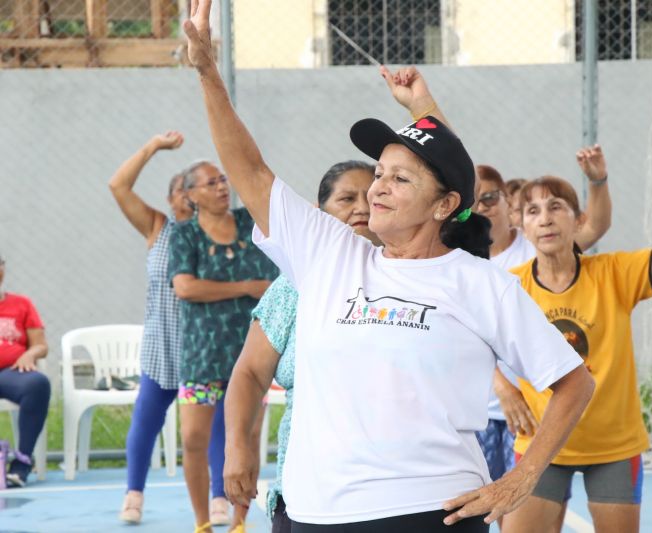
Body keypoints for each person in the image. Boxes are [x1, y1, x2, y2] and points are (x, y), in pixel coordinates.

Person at [184, 5, 594, 531]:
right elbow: (252, 172)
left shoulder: (478, 282)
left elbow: (574, 382)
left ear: (444, 205)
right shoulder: (329, 255)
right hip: (313, 514)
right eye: (380, 173)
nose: (378, 187)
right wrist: (207, 72)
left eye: (400, 180)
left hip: (430, 512)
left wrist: (522, 477)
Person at [502, 121, 652, 533]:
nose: (546, 218)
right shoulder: (510, 286)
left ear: (579, 220)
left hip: (613, 445)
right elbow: (468, 339)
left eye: (556, 206)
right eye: (533, 211)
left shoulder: (612, 273)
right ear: (522, 225)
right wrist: (503, 390)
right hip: (543, 444)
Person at [224, 160, 381, 533]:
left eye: (371, 196)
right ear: (316, 213)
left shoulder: (410, 275)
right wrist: (238, 448)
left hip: (387, 492)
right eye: (347, 198)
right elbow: (248, 373)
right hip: (307, 490)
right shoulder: (294, 286)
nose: (362, 206)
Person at [472, 153, 611, 500]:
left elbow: (595, 226)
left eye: (491, 197)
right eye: (475, 201)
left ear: (509, 201)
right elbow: (468, 331)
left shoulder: (535, 246)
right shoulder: (467, 260)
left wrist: (598, 182)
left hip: (537, 407)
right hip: (486, 407)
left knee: (523, 503)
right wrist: (502, 387)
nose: (484, 207)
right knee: (482, 501)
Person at [169, 159, 280, 533]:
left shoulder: (250, 223)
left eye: (222, 179)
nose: (221, 187)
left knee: (247, 443)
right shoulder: (185, 234)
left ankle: (238, 522)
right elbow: (185, 287)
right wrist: (246, 288)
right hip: (201, 356)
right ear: (191, 195)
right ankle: (202, 522)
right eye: (211, 182)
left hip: (249, 358)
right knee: (194, 440)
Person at [109, 130, 201, 523]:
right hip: (161, 348)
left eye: (194, 189)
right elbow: (118, 185)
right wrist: (152, 146)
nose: (188, 196)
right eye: (181, 189)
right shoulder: (157, 228)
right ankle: (133, 495)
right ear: (170, 199)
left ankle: (217, 499)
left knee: (207, 431)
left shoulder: (215, 234)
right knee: (144, 424)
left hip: (202, 350)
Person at [0, 252, 50, 488]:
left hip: (11, 373)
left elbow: (41, 345)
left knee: (37, 384)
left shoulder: (21, 304)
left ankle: (20, 466)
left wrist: (29, 353)